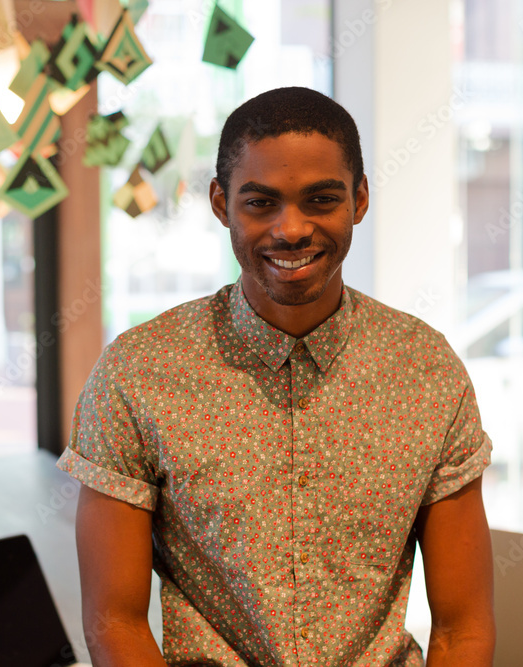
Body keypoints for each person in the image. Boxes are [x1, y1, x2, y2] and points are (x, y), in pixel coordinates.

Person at [57, 86, 495, 666]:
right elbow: (114, 624)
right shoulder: (139, 373)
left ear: (360, 199)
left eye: (321, 199)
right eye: (260, 202)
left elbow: (463, 630)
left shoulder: (426, 371)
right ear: (221, 204)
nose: (291, 229)